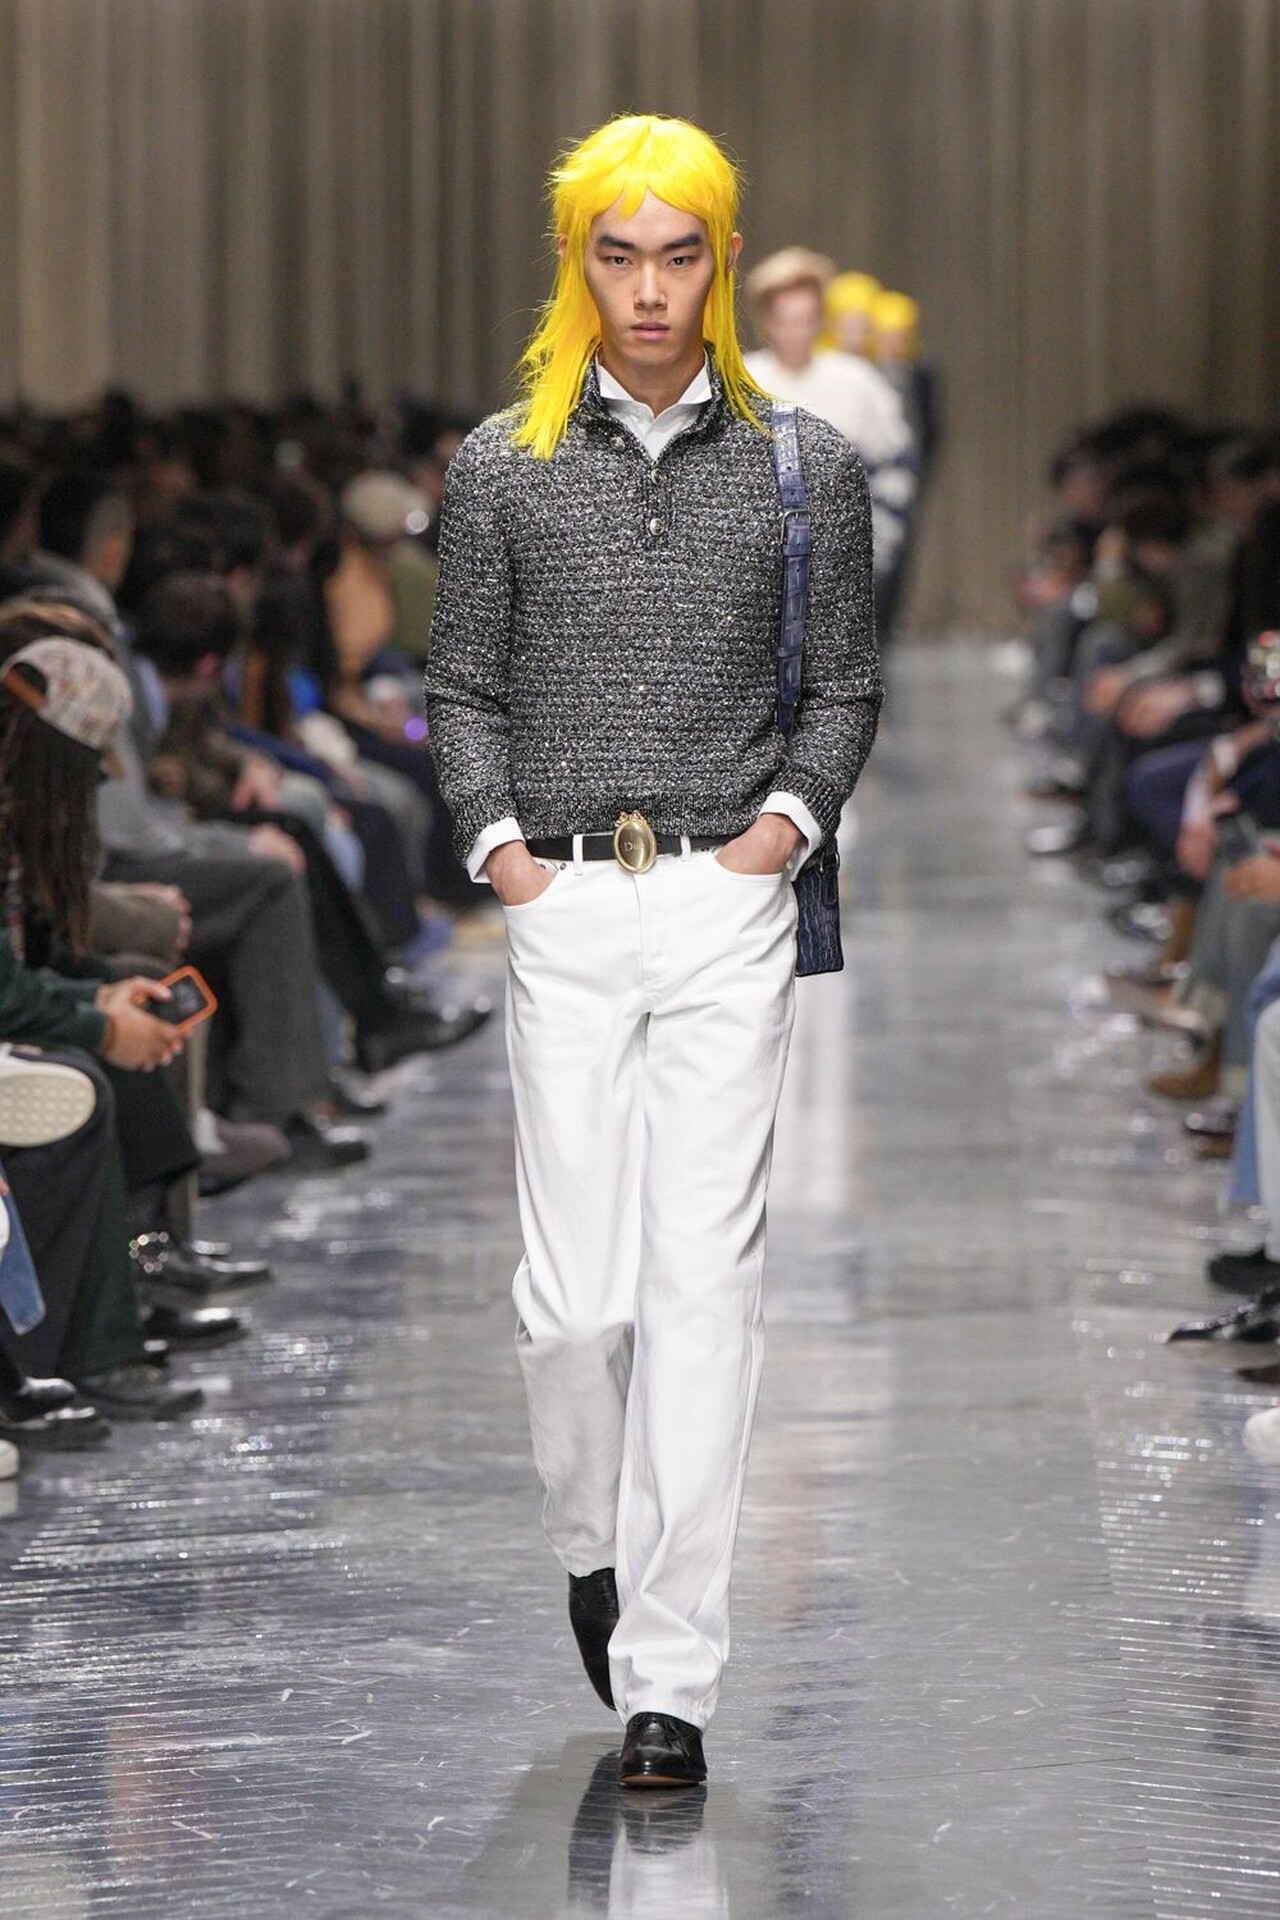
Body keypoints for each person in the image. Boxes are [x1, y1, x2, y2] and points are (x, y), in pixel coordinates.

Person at [424, 113, 881, 1788]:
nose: (647, 289)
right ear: (576, 263)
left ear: (723, 261)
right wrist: (498, 850)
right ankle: (592, 1544)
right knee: (572, 1306)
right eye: (616, 254)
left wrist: (782, 834)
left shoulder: (807, 465)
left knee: (705, 1289)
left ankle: (671, 1676)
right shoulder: (501, 465)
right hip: (560, 898)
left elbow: (844, 681)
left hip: (722, 902)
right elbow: (460, 680)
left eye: (679, 254)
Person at [743, 248, 914, 644]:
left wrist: (876, 549)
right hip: (757, 573)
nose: (796, 332)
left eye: (806, 319)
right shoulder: (744, 382)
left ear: (821, 318)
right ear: (766, 320)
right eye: (786, 320)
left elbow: (895, 465)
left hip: (842, 565)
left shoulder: (857, 383)